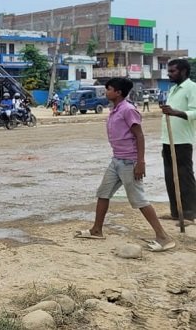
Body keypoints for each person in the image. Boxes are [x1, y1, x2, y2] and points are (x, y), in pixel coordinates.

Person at [75, 78, 175, 251]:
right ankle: (96, 230)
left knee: (139, 199)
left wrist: (140, 162)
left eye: (109, 89)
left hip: (130, 161)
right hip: (116, 160)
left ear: (118, 92)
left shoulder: (128, 110)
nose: (106, 92)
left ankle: (163, 237)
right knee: (103, 193)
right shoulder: (114, 110)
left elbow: (139, 136)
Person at [160, 58, 196, 222]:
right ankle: (176, 212)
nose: (169, 74)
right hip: (168, 140)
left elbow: (195, 112)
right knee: (170, 177)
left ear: (183, 71)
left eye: (172, 71)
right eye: (168, 71)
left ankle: (190, 213)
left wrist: (175, 112)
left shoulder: (191, 88)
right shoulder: (174, 89)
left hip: (182, 141)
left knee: (184, 177)